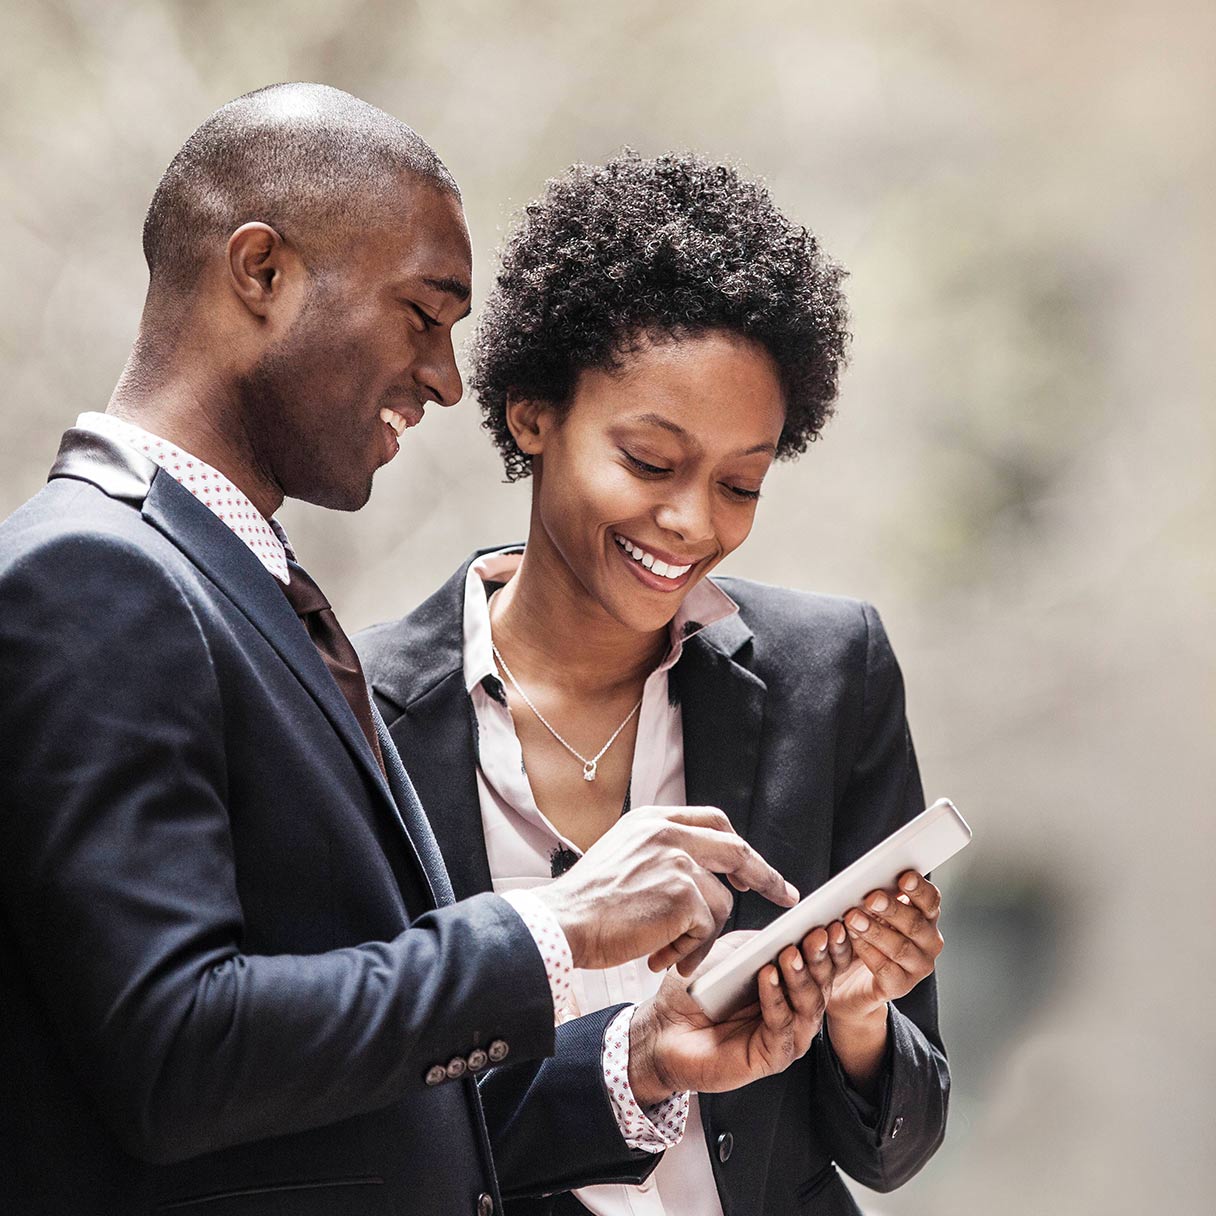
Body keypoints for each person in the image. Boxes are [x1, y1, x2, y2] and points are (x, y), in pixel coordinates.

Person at [0, 88, 837, 1216]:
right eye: (422, 313)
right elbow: (178, 1052)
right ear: (261, 272)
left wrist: (639, 1057)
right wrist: (557, 927)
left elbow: (353, 1109)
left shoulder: (244, 586)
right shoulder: (94, 574)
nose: (448, 377)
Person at [355, 152, 951, 1216]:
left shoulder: (832, 672)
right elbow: (368, 1132)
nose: (691, 522)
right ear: (532, 412)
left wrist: (861, 1016)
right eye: (646, 459)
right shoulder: (357, 714)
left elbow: (894, 1147)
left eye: (738, 483)